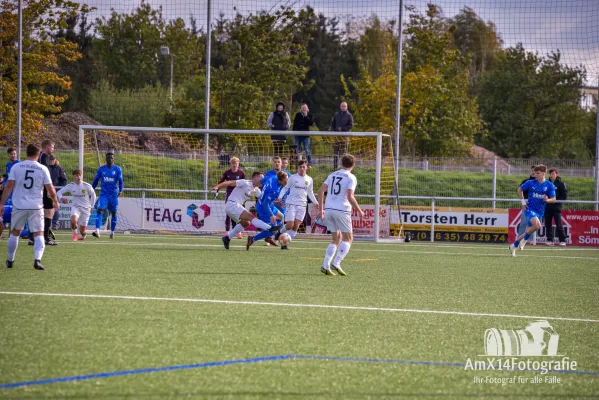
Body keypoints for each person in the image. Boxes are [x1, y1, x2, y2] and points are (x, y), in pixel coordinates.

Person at [0, 144, 59, 270]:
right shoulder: (42, 168)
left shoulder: (16, 167)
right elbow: (51, 189)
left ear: (26, 153)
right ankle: (37, 260)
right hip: (36, 207)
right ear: (38, 154)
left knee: (15, 233)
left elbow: (9, 186)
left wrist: (1, 203)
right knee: (39, 234)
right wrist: (55, 201)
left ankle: (10, 260)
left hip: (19, 206)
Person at [317, 154, 364, 276]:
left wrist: (321, 209)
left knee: (336, 238)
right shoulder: (351, 177)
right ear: (353, 165)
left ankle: (325, 265)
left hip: (329, 209)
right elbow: (350, 196)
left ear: (341, 163)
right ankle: (336, 262)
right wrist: (359, 210)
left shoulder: (332, 175)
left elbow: (321, 190)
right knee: (348, 238)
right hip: (342, 210)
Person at [211, 171, 281, 249]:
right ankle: (270, 228)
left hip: (236, 207)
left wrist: (277, 202)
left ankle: (227, 238)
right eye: (261, 177)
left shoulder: (257, 190)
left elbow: (264, 200)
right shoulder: (245, 183)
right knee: (251, 217)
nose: (263, 180)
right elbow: (229, 183)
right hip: (232, 204)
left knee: (246, 223)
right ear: (255, 177)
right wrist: (217, 186)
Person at [509, 165, 556, 257]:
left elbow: (554, 198)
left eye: (538, 173)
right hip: (530, 209)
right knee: (537, 225)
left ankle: (514, 245)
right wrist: (523, 202)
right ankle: (524, 241)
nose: (535, 175)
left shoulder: (549, 185)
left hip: (540, 211)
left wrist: (547, 200)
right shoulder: (530, 182)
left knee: (530, 230)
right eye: (535, 173)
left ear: (543, 173)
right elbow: (519, 190)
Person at [275, 160, 318, 248]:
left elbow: (310, 192)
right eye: (300, 167)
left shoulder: (309, 179)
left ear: (306, 167)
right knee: (290, 225)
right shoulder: (293, 178)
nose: (302, 169)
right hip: (292, 204)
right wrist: (280, 197)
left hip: (302, 205)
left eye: (303, 167)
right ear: (297, 168)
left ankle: (285, 243)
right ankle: (279, 232)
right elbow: (285, 188)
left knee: (295, 227)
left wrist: (316, 202)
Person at [246, 171, 289, 250]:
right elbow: (266, 203)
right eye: (285, 181)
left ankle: (269, 236)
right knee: (272, 229)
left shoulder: (273, 177)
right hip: (264, 208)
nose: (287, 182)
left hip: (269, 205)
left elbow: (262, 180)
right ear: (280, 180)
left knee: (282, 217)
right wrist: (271, 215)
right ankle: (252, 239)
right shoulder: (274, 190)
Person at [57, 169, 97, 241]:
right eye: (76, 175)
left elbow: (93, 195)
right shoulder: (71, 186)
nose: (78, 177)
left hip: (86, 209)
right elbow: (59, 192)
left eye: (80, 175)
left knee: (82, 231)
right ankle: (75, 233)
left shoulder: (87, 186)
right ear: (73, 176)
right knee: (73, 221)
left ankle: (83, 235)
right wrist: (61, 198)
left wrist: (92, 206)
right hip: (76, 207)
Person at [92, 152, 124, 239]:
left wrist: (121, 190)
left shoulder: (117, 169)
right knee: (100, 210)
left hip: (113, 195)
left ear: (113, 159)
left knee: (114, 213)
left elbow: (121, 181)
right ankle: (97, 231)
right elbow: (96, 181)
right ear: (106, 159)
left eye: (111, 158)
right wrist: (91, 190)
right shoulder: (101, 169)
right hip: (104, 194)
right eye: (108, 158)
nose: (110, 159)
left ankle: (112, 232)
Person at [216, 157, 246, 237]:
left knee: (239, 213)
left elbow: (244, 184)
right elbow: (221, 182)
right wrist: (217, 189)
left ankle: (238, 232)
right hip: (229, 194)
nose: (235, 165)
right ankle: (227, 231)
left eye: (236, 163)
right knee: (228, 213)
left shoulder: (241, 173)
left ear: (238, 164)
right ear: (230, 164)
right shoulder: (227, 173)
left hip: (238, 196)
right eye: (233, 163)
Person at [37, 139, 59, 245]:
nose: (53, 149)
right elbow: (43, 174)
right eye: (52, 147)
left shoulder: (42, 156)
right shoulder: (43, 157)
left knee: (44, 214)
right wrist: (48, 189)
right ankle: (45, 238)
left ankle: (35, 238)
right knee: (48, 213)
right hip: (44, 188)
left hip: (42, 187)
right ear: (47, 147)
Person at [0, 148, 20, 239]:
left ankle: (13, 234)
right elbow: (7, 177)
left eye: (14, 154)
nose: (13, 155)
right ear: (8, 155)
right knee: (4, 212)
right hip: (9, 192)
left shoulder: (18, 164)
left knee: (14, 213)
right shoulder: (8, 164)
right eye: (11, 154)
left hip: (16, 192)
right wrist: (3, 184)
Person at [545, 168, 568, 246]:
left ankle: (562, 240)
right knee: (548, 224)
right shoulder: (547, 183)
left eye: (553, 174)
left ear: (556, 174)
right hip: (548, 207)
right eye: (550, 174)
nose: (551, 176)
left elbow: (564, 196)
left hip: (557, 207)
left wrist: (556, 201)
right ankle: (550, 240)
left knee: (559, 223)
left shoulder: (561, 184)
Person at [517, 166, 536, 249]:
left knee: (534, 224)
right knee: (523, 223)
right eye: (532, 170)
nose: (533, 172)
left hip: (537, 205)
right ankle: (518, 240)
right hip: (527, 204)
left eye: (535, 171)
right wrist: (523, 202)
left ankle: (530, 240)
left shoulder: (541, 183)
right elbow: (519, 191)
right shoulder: (526, 181)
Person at [330, 102, 353, 169]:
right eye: (342, 106)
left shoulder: (349, 115)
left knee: (345, 152)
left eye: (344, 106)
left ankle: (345, 167)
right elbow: (332, 124)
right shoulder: (336, 114)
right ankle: (335, 167)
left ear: (347, 107)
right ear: (340, 107)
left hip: (345, 136)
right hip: (336, 136)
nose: (343, 107)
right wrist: (335, 130)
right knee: (335, 151)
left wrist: (342, 128)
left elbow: (350, 125)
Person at [48, 155, 68, 231]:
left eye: (53, 159)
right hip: (46, 191)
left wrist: (60, 190)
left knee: (55, 207)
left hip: (55, 191)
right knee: (46, 208)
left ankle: (54, 224)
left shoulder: (59, 169)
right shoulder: (46, 167)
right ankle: (47, 223)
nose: (51, 161)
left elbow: (64, 180)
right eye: (50, 160)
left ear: (55, 160)